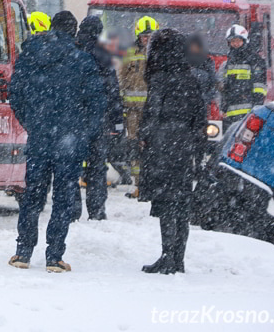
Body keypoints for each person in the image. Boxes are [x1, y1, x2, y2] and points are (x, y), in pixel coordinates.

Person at [7, 11, 106, 272]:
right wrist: (83, 131)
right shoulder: (82, 60)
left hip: (40, 137)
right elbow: (97, 103)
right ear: (73, 31)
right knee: (63, 198)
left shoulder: (30, 54)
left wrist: (31, 122)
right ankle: (54, 257)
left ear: (51, 27)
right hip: (69, 140)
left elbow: (15, 92)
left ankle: (23, 252)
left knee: (32, 196)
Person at [138, 29, 208, 274]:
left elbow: (152, 113)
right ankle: (178, 258)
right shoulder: (190, 78)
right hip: (184, 145)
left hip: (163, 145)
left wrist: (145, 137)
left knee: (166, 202)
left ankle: (167, 255)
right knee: (181, 202)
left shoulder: (160, 79)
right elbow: (200, 117)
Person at [73, 16, 124, 221]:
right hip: (98, 119)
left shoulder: (73, 49)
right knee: (97, 166)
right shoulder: (104, 54)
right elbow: (112, 90)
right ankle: (96, 210)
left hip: (74, 119)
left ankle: (73, 209)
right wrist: (117, 120)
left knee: (73, 167)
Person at [118, 15, 158, 198]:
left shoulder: (158, 54)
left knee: (152, 145)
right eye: (144, 36)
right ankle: (138, 184)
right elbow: (122, 78)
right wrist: (120, 102)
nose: (147, 39)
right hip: (132, 110)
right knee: (134, 145)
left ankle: (151, 182)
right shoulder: (130, 53)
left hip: (152, 110)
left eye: (150, 36)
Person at [218, 24, 267, 129]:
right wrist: (223, 108)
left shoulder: (255, 60)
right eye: (232, 41)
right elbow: (225, 88)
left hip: (249, 113)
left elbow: (260, 86)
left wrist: (257, 106)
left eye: (238, 41)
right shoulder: (228, 63)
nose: (235, 44)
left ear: (244, 41)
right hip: (231, 115)